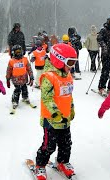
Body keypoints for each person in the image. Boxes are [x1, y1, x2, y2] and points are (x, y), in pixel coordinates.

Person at [34, 44, 78, 180]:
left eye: (74, 63)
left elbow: (69, 95)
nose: (71, 66)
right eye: (70, 62)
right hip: (51, 120)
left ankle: (62, 161)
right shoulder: (49, 77)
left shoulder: (68, 75)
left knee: (66, 143)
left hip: (65, 119)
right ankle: (40, 165)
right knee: (49, 145)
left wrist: (71, 109)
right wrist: (55, 113)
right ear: (59, 60)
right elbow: (46, 98)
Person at [6, 45, 34, 109]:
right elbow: (9, 70)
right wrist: (8, 79)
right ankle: (15, 101)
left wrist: (31, 77)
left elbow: (29, 69)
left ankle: (25, 97)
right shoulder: (11, 61)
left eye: (19, 52)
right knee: (17, 90)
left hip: (24, 78)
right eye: (17, 52)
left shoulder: (25, 60)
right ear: (14, 52)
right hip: (16, 79)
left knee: (24, 88)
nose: (18, 53)